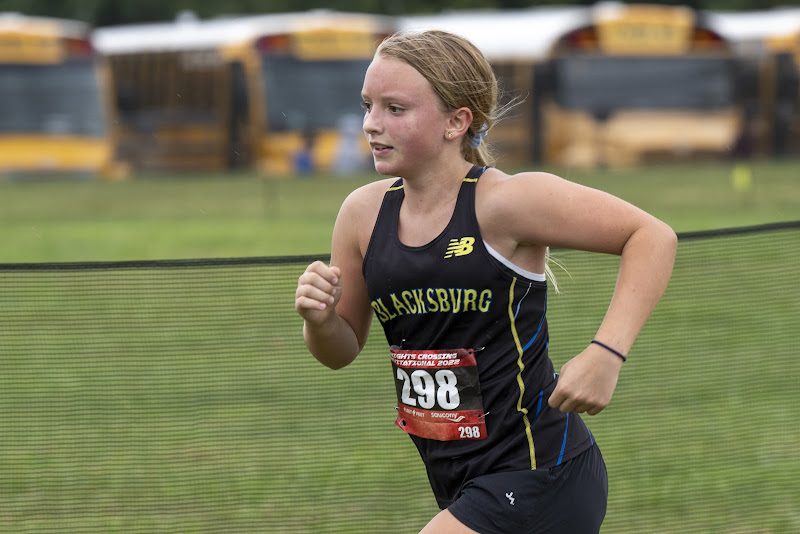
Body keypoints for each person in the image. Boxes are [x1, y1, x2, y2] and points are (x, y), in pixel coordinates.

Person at [295, 29, 677, 534]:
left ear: (457, 121)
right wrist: (320, 320)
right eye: (368, 105)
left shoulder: (507, 203)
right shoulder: (362, 215)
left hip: (542, 469)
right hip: (459, 478)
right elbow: (341, 349)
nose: (370, 125)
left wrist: (607, 353)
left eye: (395, 109)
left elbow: (651, 236)